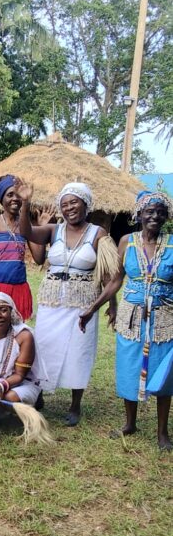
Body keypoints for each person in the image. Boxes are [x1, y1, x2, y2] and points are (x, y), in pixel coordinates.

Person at [18, 179, 118, 426]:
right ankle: (38, 393)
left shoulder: (98, 234)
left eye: (74, 202)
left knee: (78, 351)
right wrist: (25, 203)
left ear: (86, 204)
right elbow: (26, 232)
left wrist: (106, 306)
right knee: (44, 346)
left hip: (82, 303)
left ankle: (75, 404)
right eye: (65, 204)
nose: (69, 208)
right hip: (52, 300)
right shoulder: (54, 230)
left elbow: (110, 276)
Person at [80, 191, 173, 450]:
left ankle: (162, 432)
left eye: (160, 212)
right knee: (129, 367)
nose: (155, 216)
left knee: (163, 371)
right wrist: (93, 308)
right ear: (139, 214)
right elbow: (116, 279)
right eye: (149, 211)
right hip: (131, 317)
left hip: (165, 318)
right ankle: (130, 423)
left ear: (166, 216)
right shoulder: (127, 242)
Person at [0, 174, 47, 320]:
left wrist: (42, 229)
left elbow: (39, 259)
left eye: (18, 195)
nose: (15, 198)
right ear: (2, 199)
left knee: (16, 333)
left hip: (17, 288)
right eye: (9, 195)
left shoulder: (26, 226)